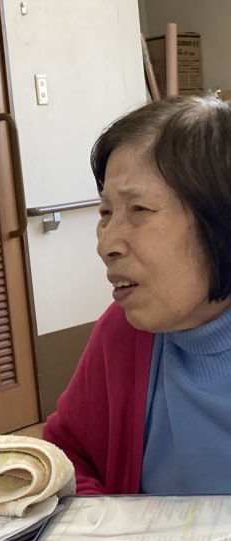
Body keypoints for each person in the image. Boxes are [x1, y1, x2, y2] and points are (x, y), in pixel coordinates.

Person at [44, 95, 231, 496]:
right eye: (105, 213)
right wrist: (112, 525)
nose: (106, 244)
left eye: (139, 210)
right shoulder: (123, 333)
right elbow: (67, 456)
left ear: (220, 218)